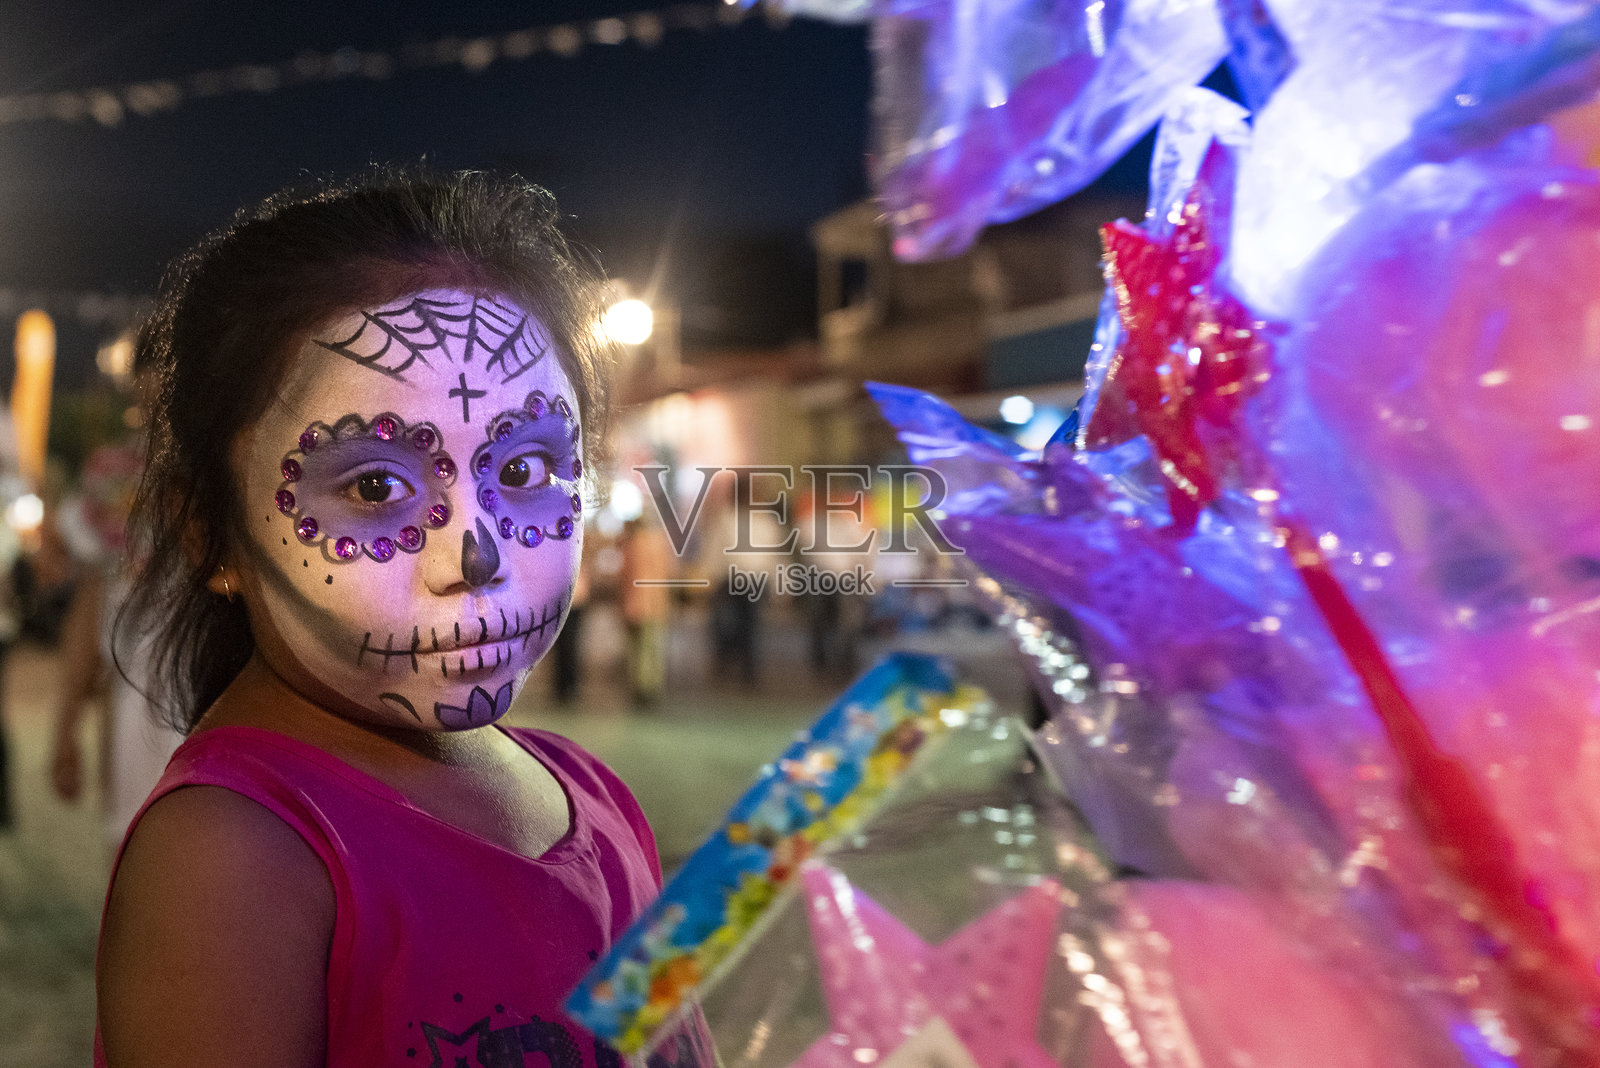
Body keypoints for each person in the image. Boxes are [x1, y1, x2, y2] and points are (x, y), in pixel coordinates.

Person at [95, 169, 668, 1068]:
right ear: (208, 533)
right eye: (376, 486)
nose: (474, 558)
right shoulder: (235, 860)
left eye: (522, 471)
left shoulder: (588, 794)